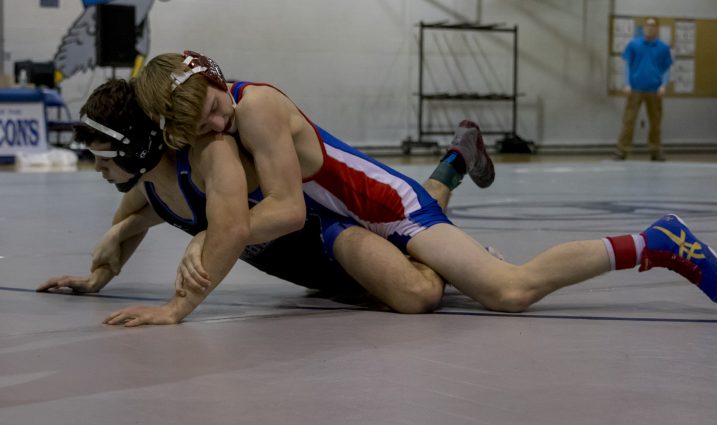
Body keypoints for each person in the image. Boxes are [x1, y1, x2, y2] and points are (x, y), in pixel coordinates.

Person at [123, 50, 717, 327]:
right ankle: (459, 157)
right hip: (361, 215)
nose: (218, 125)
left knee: (508, 290)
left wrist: (208, 242)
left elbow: (282, 212)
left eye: (214, 109)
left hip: (391, 211)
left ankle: (656, 241)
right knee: (414, 281)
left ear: (216, 77)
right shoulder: (220, 117)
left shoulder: (254, 109)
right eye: (203, 128)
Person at [38, 79, 494, 325]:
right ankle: (456, 159)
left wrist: (175, 306)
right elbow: (130, 224)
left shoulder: (210, 158)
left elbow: (230, 227)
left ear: (134, 146)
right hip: (310, 269)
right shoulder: (146, 186)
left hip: (328, 235)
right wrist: (98, 274)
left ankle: (451, 252)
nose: (95, 167)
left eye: (100, 156)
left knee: (422, 293)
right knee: (401, 245)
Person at [615, 17, 673, 161]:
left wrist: (663, 85)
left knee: (655, 122)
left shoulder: (663, 48)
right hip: (635, 89)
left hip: (654, 90)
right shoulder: (634, 44)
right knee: (628, 121)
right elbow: (627, 65)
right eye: (647, 25)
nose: (649, 28)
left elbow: (666, 68)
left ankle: (655, 151)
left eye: (653, 25)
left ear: (657, 28)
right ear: (644, 27)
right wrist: (626, 83)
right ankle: (622, 151)